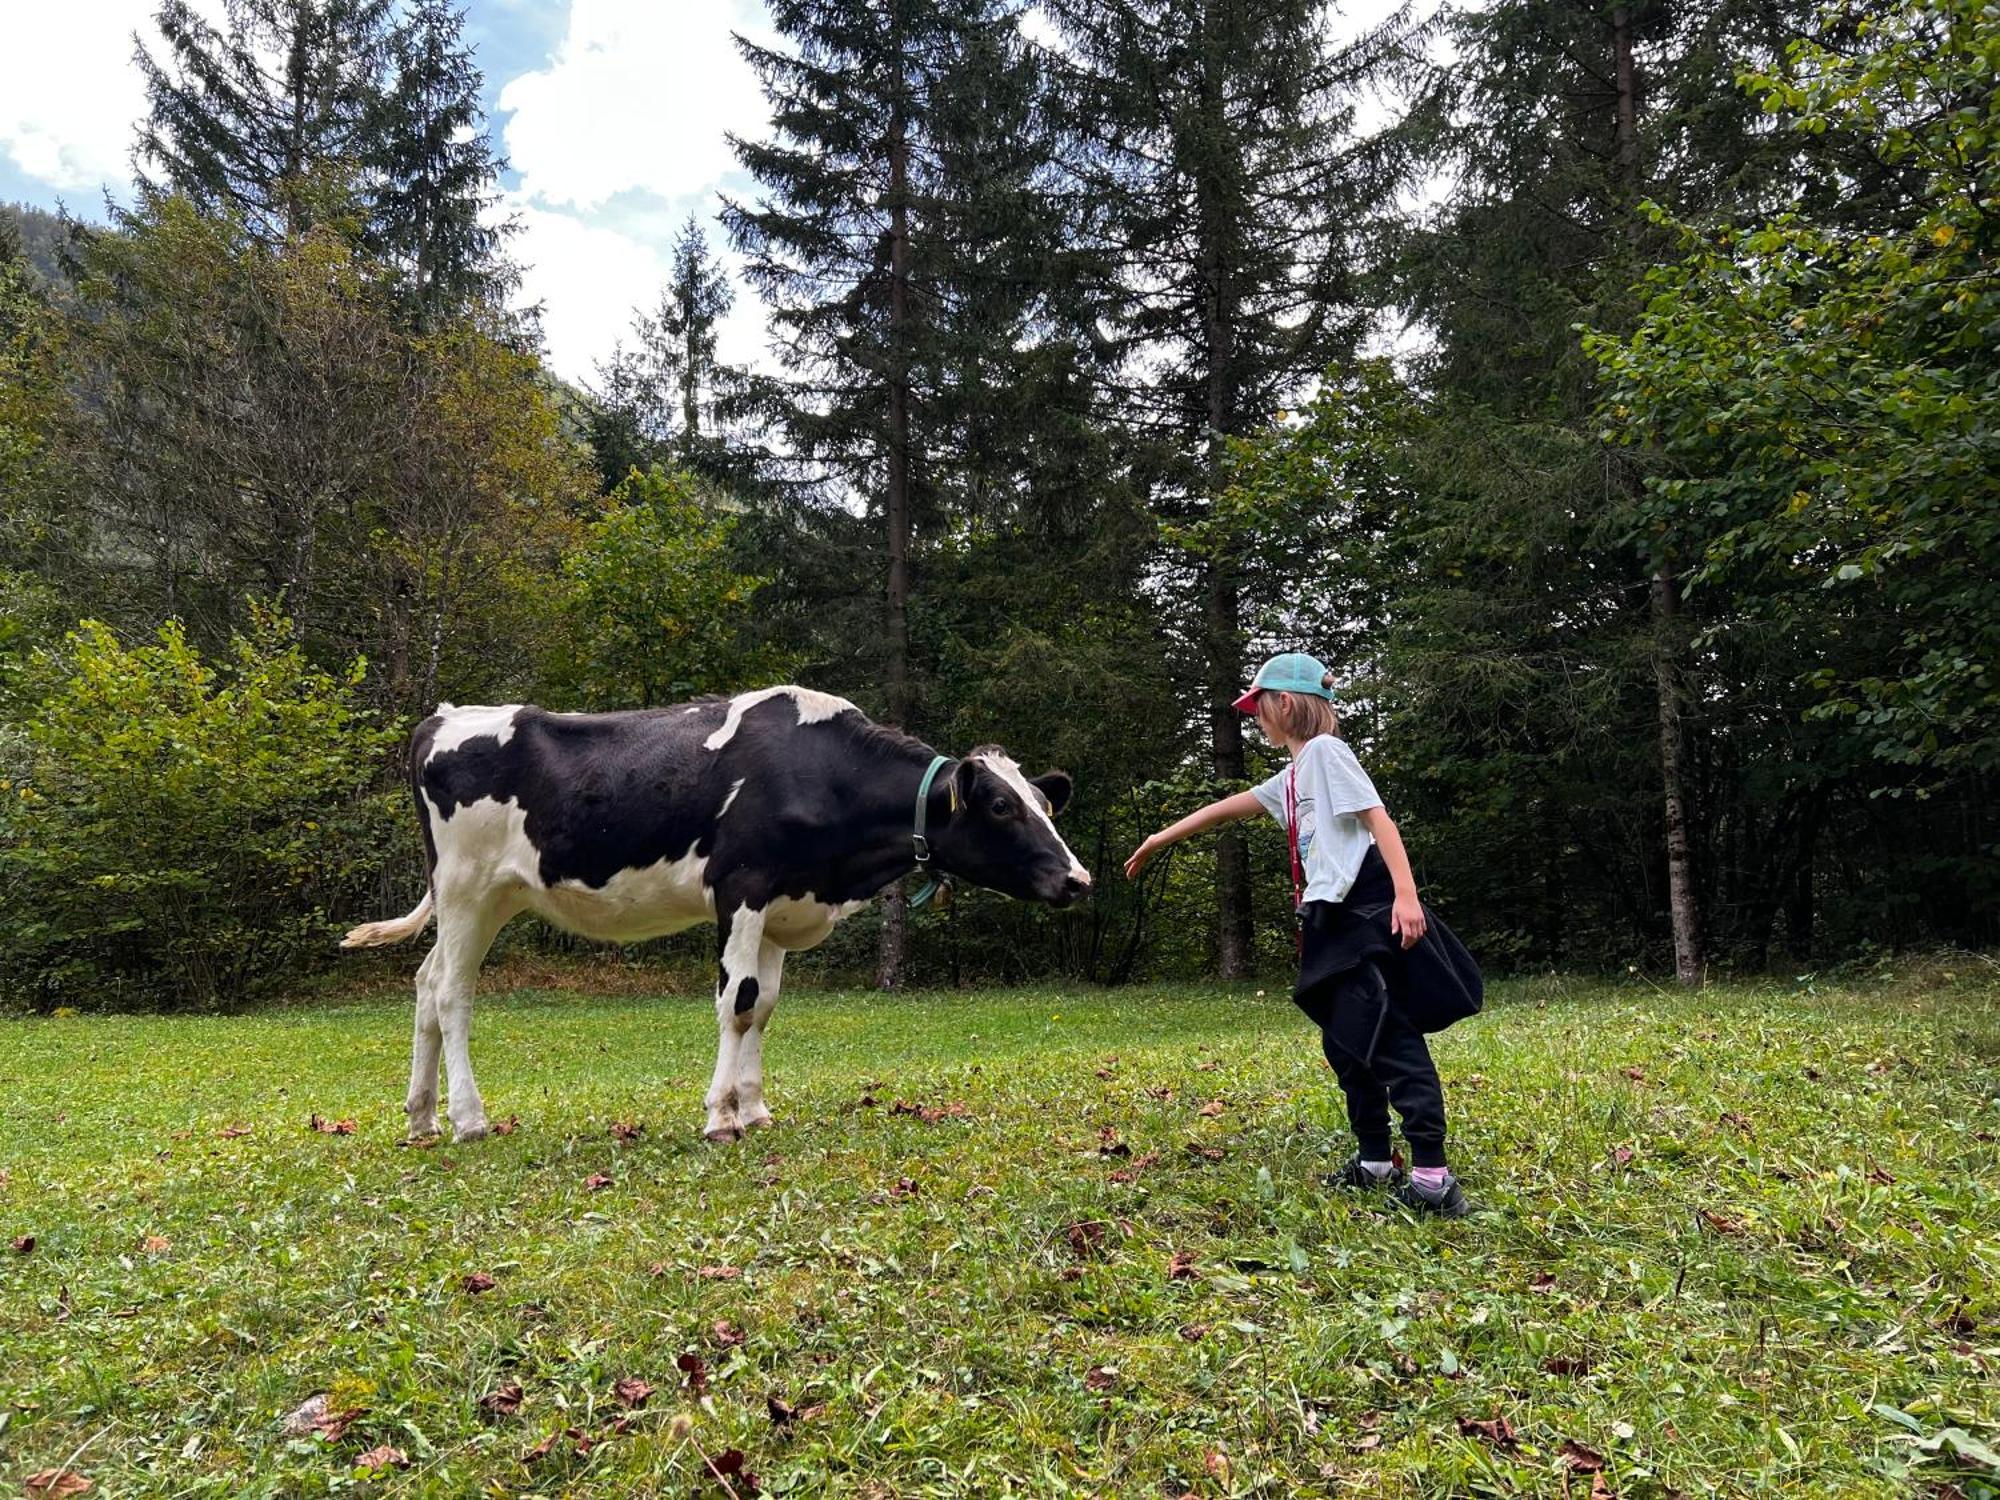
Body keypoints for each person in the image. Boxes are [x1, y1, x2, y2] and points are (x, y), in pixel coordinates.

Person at [1124, 652, 1483, 1217]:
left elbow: (1378, 820)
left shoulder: (1325, 753)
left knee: (1388, 1038)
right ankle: (1375, 1162)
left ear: (1283, 703)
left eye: (1259, 708)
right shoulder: (1293, 778)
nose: (1257, 719)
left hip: (1364, 911)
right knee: (1344, 1040)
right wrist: (1158, 837)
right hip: (1328, 920)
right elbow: (1226, 809)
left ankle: (1434, 1181)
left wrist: (1406, 896)